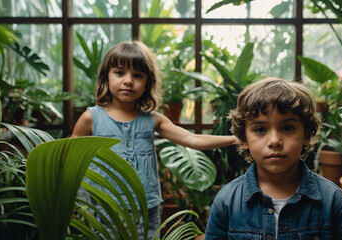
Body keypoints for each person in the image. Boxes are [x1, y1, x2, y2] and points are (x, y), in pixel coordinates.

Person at [71, 40, 238, 239]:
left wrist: (235, 139)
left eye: (138, 75)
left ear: (147, 83)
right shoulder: (91, 118)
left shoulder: (154, 120)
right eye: (120, 72)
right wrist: (79, 204)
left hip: (146, 209)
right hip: (104, 209)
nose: (128, 80)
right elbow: (72, 162)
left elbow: (192, 139)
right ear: (106, 76)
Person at [204, 77, 342, 239]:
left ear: (306, 134)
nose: (274, 141)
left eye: (287, 128)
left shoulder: (333, 201)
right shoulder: (226, 202)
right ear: (243, 139)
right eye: (260, 129)